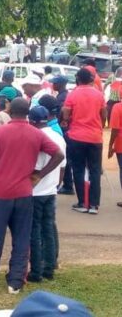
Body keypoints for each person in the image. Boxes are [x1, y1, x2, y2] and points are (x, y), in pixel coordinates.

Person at [0, 98, 64, 294]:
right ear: (28, 112)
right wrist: (40, 174)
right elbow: (59, 155)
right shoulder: (36, 133)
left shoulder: (1, 132)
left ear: (10, 111)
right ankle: (16, 282)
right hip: (24, 193)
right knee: (22, 238)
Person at [28, 105, 66, 283]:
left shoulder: (37, 137)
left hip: (36, 191)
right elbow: (63, 167)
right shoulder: (58, 137)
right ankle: (49, 267)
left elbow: (34, 167)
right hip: (51, 190)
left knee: (34, 231)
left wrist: (36, 178)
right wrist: (56, 185)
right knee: (48, 229)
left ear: (32, 120)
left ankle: (36, 271)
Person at [61, 67, 106, 214]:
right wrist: (99, 127)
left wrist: (68, 121)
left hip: (77, 136)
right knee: (95, 170)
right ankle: (94, 205)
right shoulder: (99, 95)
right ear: (91, 79)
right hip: (95, 137)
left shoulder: (73, 94)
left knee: (78, 169)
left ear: (78, 79)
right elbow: (103, 115)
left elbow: (66, 115)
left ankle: (82, 202)